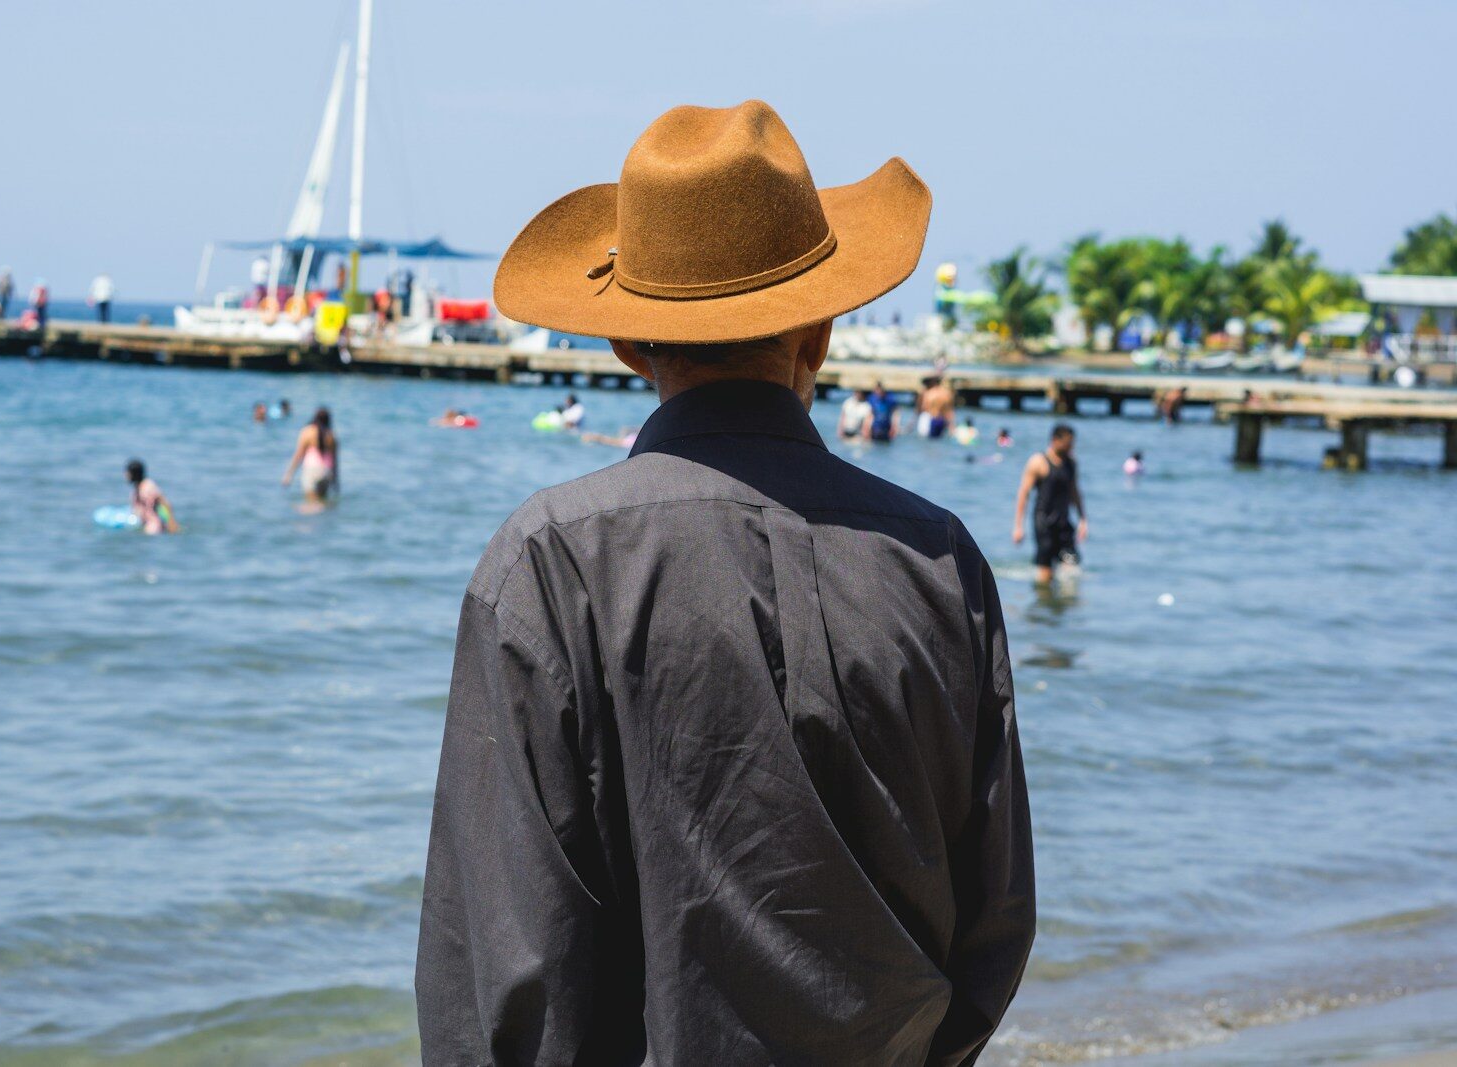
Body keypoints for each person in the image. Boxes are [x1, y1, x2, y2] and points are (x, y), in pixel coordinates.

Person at [418, 99, 1033, 1065]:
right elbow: (993, 926)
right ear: (820, 334)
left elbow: (508, 972)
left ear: (626, 343)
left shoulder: (553, 561)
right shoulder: (942, 560)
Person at [1013, 423, 1087, 583]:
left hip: (1064, 522)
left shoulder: (1071, 463)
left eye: (1072, 443)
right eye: (1067, 443)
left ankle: (1064, 605)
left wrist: (1083, 519)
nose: (1070, 447)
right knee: (1046, 574)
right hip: (1044, 523)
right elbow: (1023, 494)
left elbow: (1075, 492)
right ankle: (1044, 604)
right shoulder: (1038, 462)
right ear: (1055, 440)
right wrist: (1019, 526)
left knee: (1072, 567)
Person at [282, 407, 338, 505]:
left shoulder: (307, 431)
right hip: (326, 472)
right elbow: (335, 460)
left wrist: (289, 475)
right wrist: (336, 480)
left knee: (310, 504)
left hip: (311, 471)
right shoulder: (331, 435)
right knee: (323, 503)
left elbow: (299, 455)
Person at [126, 459, 180, 534]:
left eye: (128, 473)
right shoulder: (137, 488)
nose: (126, 475)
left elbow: (165, 502)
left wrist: (171, 522)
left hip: (153, 525)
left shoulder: (148, 486)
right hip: (145, 524)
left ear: (134, 473)